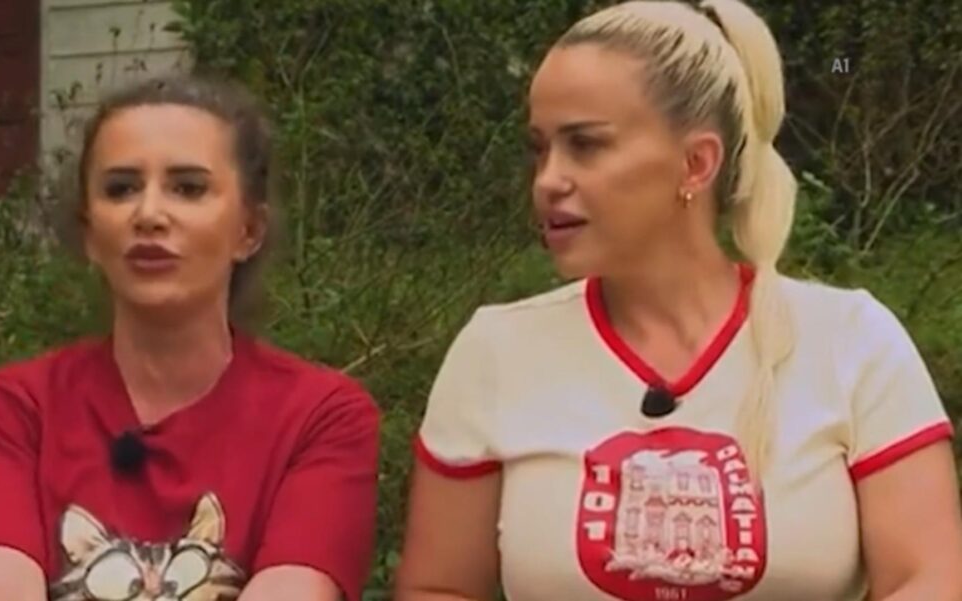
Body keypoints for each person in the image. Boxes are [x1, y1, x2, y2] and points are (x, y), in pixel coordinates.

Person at [395, 1, 962, 600]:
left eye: (585, 145)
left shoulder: (852, 341)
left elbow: (929, 577)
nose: (548, 180)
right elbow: (439, 587)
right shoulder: (497, 352)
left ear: (696, 164)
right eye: (540, 149)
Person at [0, 75, 380, 601]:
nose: (149, 214)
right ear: (90, 232)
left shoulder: (321, 416)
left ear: (249, 230)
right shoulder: (15, 409)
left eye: (188, 188)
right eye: (121, 189)